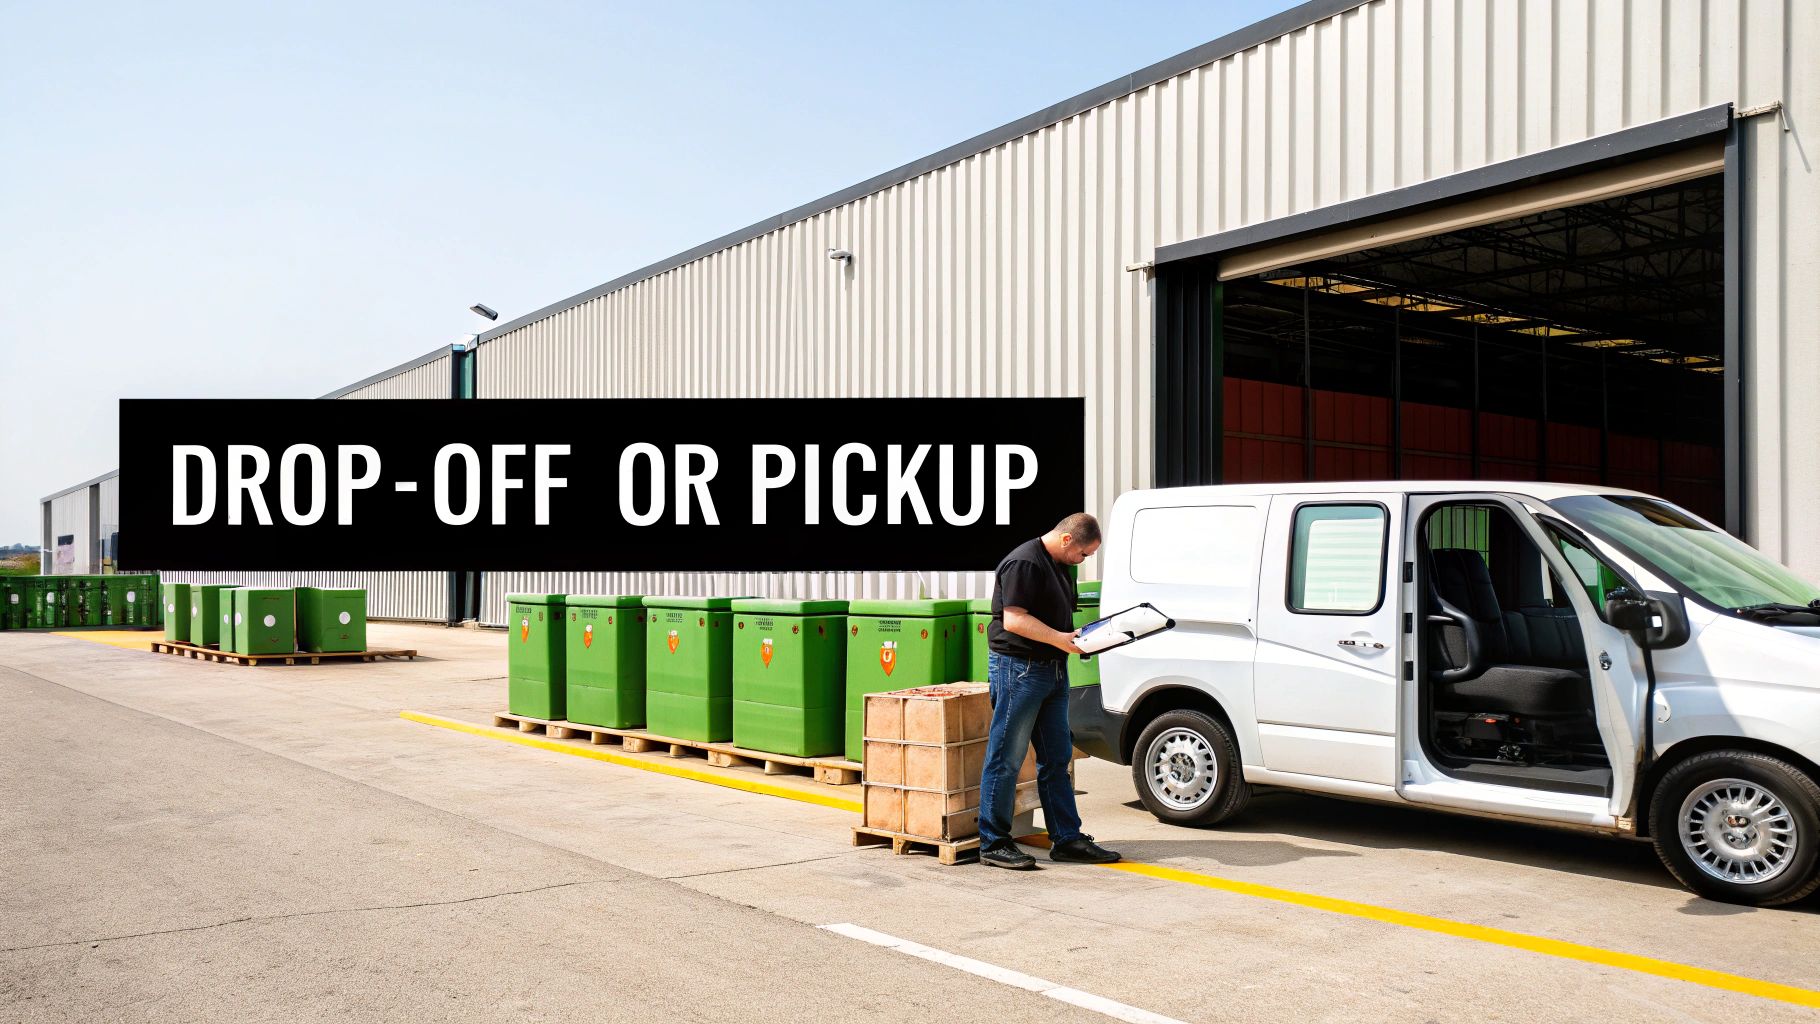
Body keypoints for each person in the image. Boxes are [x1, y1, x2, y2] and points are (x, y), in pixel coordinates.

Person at [977, 512, 1120, 869]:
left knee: (1057, 758)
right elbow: (1014, 619)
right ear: (1067, 539)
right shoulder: (1025, 563)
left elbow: (1055, 618)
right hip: (1020, 669)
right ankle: (993, 843)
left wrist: (1081, 639)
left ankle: (1067, 839)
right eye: (1083, 553)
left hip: (1052, 669)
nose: (1083, 560)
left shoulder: (1060, 566)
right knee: (1006, 757)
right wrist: (1060, 639)